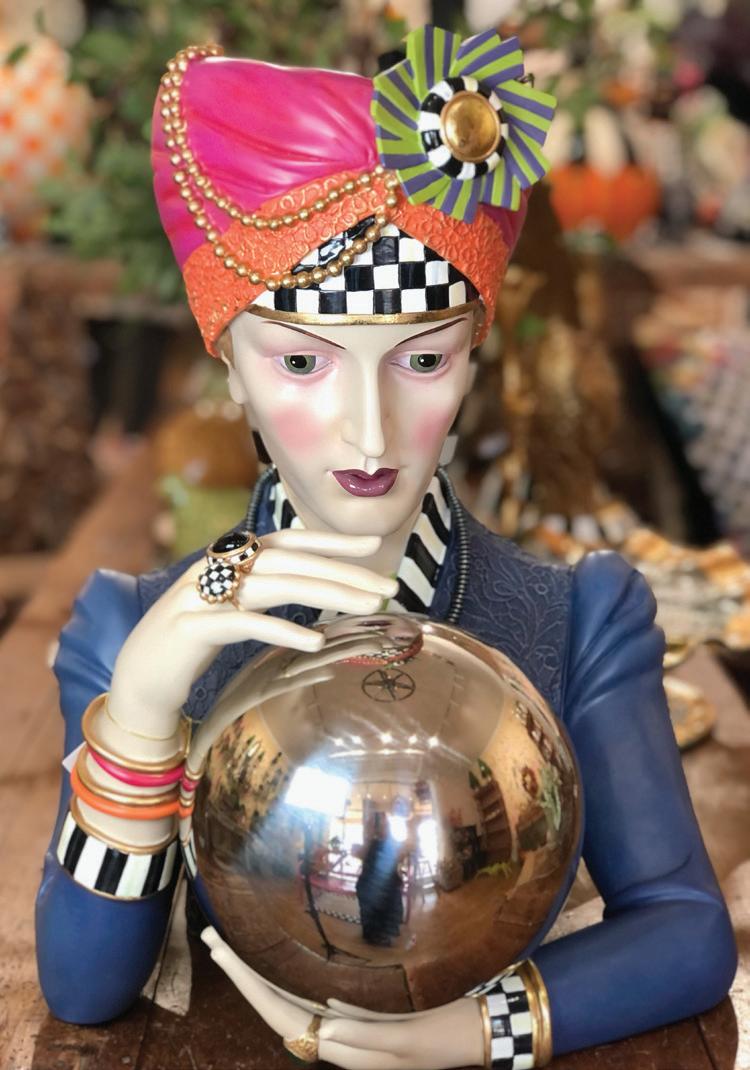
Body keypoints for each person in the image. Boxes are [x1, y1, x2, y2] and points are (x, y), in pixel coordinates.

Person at [35, 27, 737, 1070]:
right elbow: (81, 989)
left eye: (422, 359)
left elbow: (687, 931)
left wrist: (479, 1029)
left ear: (474, 353)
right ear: (228, 367)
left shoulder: (581, 616)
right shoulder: (129, 626)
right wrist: (138, 714)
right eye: (302, 362)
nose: (368, 431)